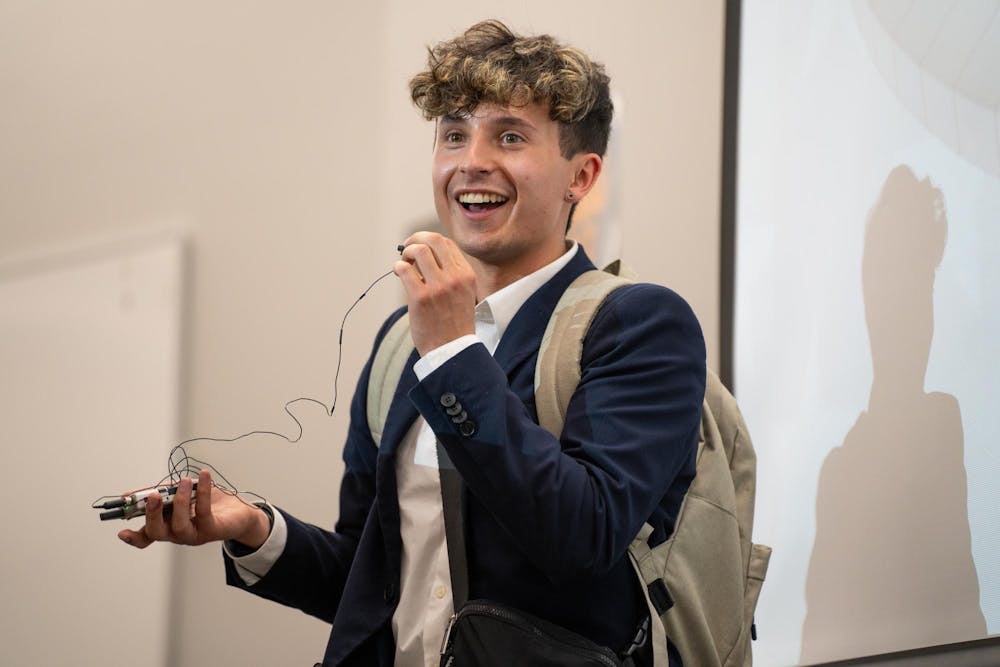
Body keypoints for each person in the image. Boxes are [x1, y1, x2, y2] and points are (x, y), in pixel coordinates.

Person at [118, 20, 706, 667]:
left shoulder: (642, 324)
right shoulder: (402, 342)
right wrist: (256, 530)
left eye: (509, 135)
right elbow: (374, 583)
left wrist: (454, 353)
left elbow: (580, 535)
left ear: (582, 176)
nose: (470, 160)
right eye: (453, 134)